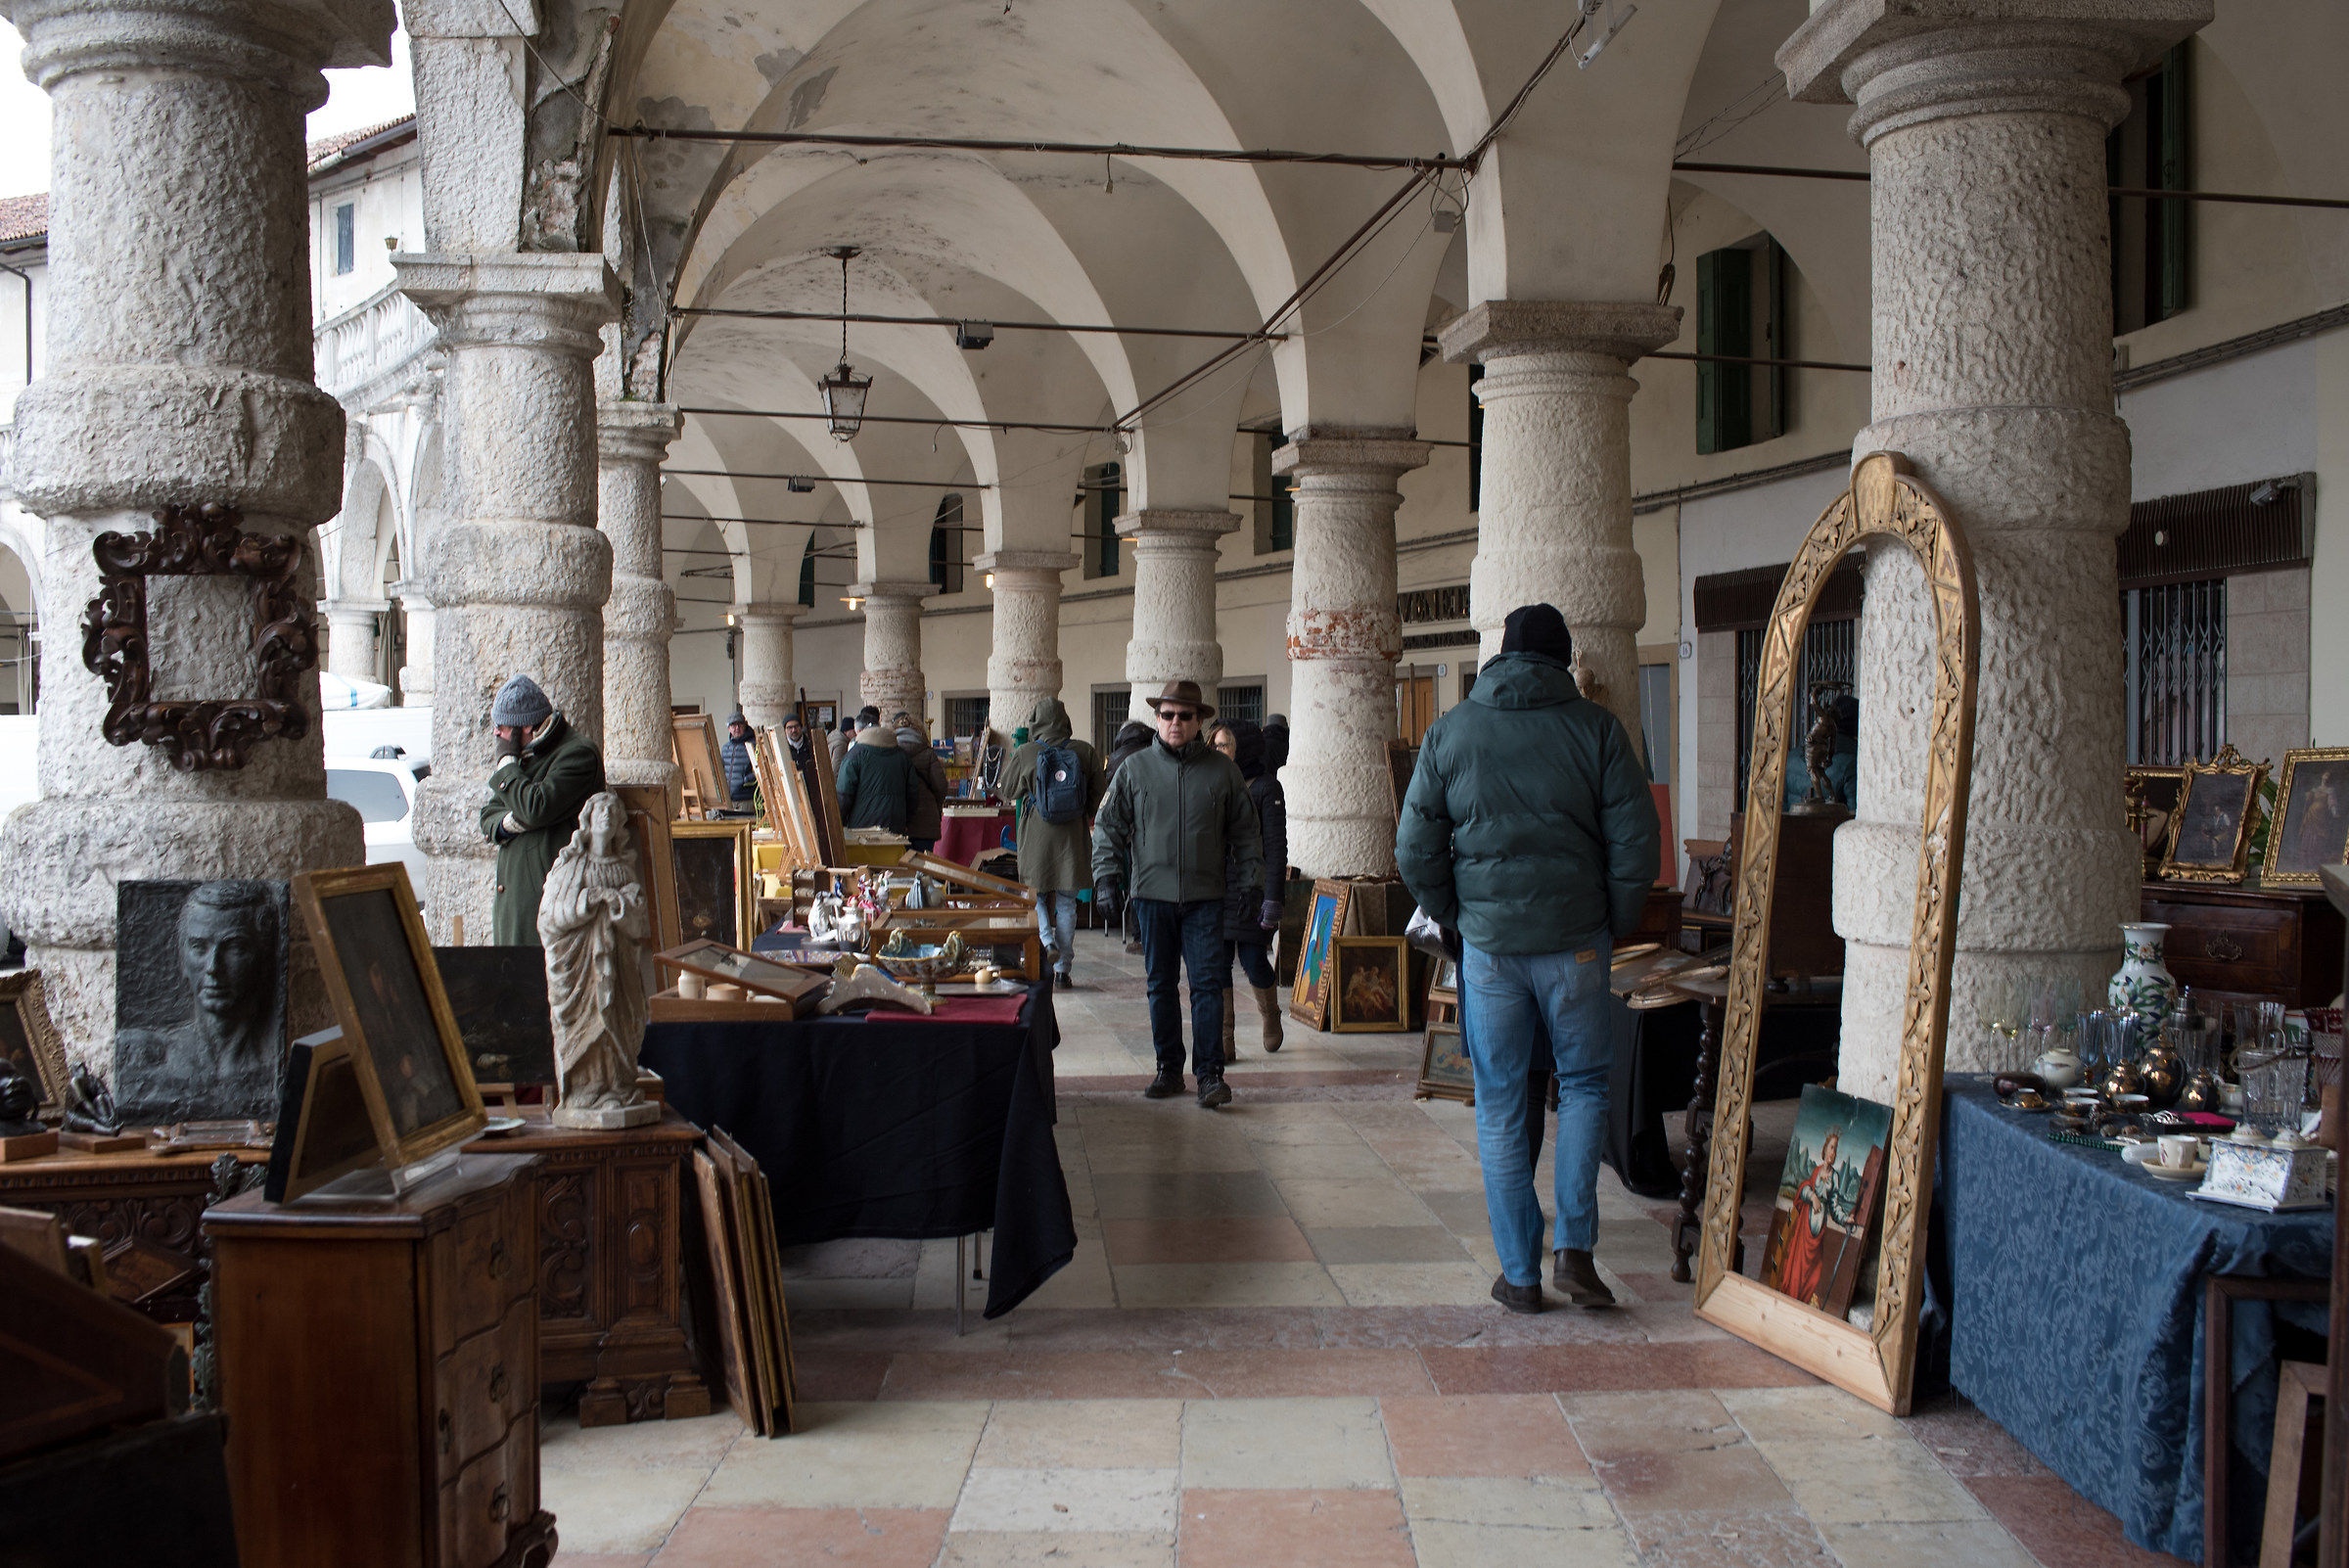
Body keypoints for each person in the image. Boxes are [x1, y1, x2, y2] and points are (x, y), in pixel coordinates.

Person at [1395, 604, 1659, 1315]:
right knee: (1584, 1087)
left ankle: (1518, 1273)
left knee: (1503, 1104)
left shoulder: (1451, 732)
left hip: (1490, 953)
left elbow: (1414, 851)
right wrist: (1612, 924)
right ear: (1564, 660)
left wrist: (1459, 920)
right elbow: (1637, 843)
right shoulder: (1597, 730)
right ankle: (1575, 1248)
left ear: (1501, 656)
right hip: (1576, 943)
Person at [1091, 680, 1263, 1108]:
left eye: (1184, 716)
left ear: (1199, 721)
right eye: (1167, 715)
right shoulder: (1135, 769)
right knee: (1160, 985)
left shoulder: (1224, 772)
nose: (1174, 723)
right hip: (1152, 895)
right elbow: (1108, 826)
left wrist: (1253, 881)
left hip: (1205, 896)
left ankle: (1209, 1075)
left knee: (1207, 985)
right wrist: (1106, 878)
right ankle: (1169, 1069)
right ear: (1157, 718)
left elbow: (1246, 832)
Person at [114, 879, 285, 1122]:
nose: (213, 967)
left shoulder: (282, 1064)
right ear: (183, 959)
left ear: (265, 959)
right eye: (199, 947)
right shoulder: (141, 1059)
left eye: (234, 947)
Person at [481, 672, 607, 947]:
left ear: (524, 727)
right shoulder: (525, 759)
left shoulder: (578, 754)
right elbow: (488, 816)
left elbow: (536, 808)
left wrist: (506, 763)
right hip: (516, 909)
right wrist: (514, 820)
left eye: (501, 726)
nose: (496, 733)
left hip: (550, 908)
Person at [1000, 696, 1108, 989]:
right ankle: (1063, 970)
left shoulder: (1027, 751)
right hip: (1072, 838)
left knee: (1034, 897)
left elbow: (1007, 789)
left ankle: (1047, 942)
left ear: (1036, 722)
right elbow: (1101, 795)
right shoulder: (1084, 751)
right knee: (1067, 902)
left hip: (1036, 837)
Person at [1210, 718, 1285, 1055]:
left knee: (1254, 959)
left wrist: (1272, 898)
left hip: (1252, 886)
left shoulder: (1266, 787)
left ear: (1244, 747)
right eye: (1213, 745)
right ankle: (1225, 1039)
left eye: (1224, 745)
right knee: (1219, 961)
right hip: (1217, 889)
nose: (1217, 751)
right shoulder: (1213, 781)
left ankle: (1270, 1015)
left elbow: (1275, 846)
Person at [1102, 719, 1154, 952]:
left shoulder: (1116, 758)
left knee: (1137, 881)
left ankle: (1140, 935)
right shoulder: (1155, 752)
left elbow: (1109, 800)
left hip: (1130, 831)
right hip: (1156, 827)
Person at [836, 704, 919, 832]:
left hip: (862, 829)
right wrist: (906, 820)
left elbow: (843, 796)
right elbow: (913, 793)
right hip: (895, 826)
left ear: (858, 731)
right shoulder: (902, 756)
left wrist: (839, 823)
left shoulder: (853, 756)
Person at [896, 713, 949, 853]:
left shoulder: (892, 753)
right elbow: (941, 785)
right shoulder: (927, 753)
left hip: (899, 820)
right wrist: (934, 804)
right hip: (926, 819)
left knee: (901, 866)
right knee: (923, 867)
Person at [781, 714, 823, 802]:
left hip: (812, 795)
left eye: (796, 726)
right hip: (790, 796)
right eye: (790, 727)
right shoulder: (781, 748)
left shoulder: (812, 745)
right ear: (785, 730)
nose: (793, 730)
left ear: (801, 727)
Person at [719, 712, 758, 807]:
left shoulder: (754, 745)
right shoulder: (725, 748)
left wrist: (744, 780)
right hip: (729, 800)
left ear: (745, 725)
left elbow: (760, 768)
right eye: (733, 725)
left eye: (740, 724)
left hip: (746, 799)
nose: (737, 728)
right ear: (729, 728)